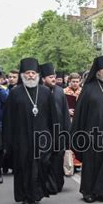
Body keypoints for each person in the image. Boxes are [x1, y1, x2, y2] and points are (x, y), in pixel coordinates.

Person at [3, 57, 59, 204]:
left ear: (38, 75)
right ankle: (26, 197)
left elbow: (53, 117)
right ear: (22, 75)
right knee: (24, 167)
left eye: (33, 73)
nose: (30, 76)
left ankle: (37, 193)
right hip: (21, 139)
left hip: (43, 138)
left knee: (40, 166)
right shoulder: (15, 93)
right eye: (27, 73)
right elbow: (8, 119)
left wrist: (56, 138)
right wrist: (7, 142)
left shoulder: (46, 92)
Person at [70, 55, 103, 203]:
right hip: (92, 135)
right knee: (92, 164)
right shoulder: (88, 89)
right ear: (98, 71)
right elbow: (80, 115)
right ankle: (89, 192)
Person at [40, 62, 70, 192]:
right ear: (43, 79)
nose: (53, 79)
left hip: (59, 133)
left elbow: (65, 113)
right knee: (45, 161)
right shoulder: (39, 92)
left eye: (54, 76)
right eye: (50, 76)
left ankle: (57, 184)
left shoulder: (59, 91)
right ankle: (46, 185)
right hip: (44, 134)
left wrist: (67, 134)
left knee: (58, 160)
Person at [64, 73, 82, 173]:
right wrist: (68, 110)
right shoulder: (63, 92)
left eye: (77, 82)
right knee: (69, 141)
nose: (75, 84)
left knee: (79, 140)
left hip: (79, 119)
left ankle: (78, 162)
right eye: (73, 82)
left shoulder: (83, 92)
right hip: (69, 119)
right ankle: (69, 162)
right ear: (69, 81)